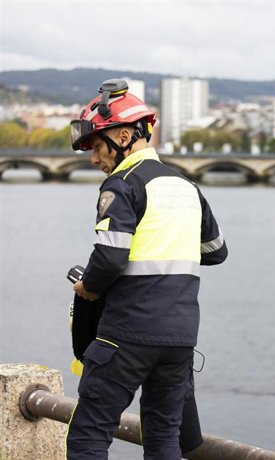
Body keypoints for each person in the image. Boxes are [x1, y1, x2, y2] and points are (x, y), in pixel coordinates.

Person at [66, 79, 228, 459]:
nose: (93, 158)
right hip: (180, 339)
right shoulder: (186, 186)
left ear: (124, 136)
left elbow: (109, 258)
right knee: (163, 438)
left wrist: (87, 288)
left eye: (97, 146)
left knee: (89, 435)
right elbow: (216, 251)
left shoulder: (122, 185)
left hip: (126, 334)